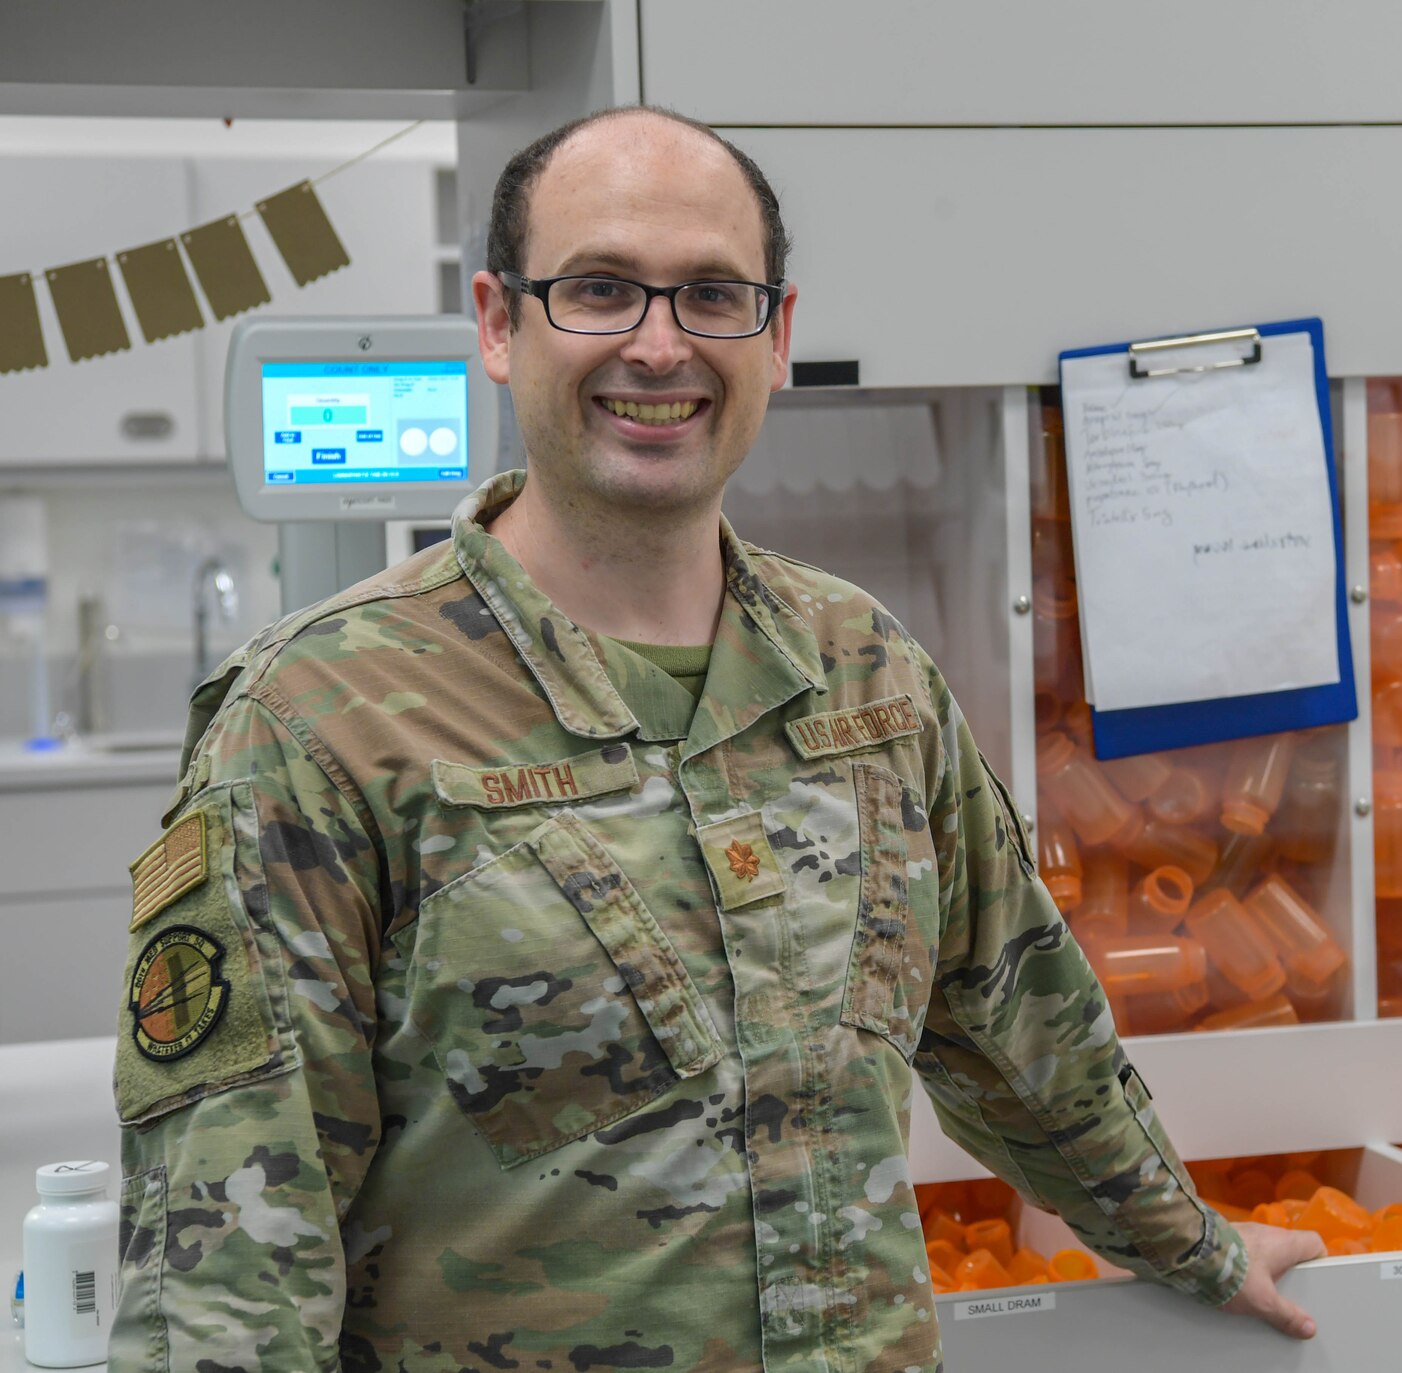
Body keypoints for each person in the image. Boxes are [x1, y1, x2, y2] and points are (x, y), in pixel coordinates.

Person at [109, 105, 1322, 1372]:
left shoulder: (864, 673)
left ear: (777, 334)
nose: (657, 344)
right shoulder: (317, 720)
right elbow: (231, 1253)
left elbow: (1018, 1019)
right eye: (597, 289)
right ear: (494, 322)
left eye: (710, 295)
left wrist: (1194, 1244)